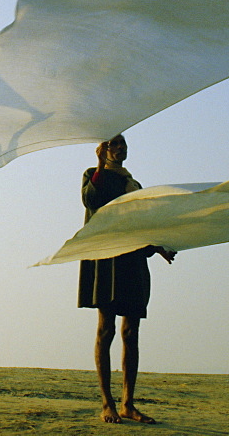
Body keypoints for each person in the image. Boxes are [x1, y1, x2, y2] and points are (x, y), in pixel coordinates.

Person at [79, 135, 175, 424]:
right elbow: (91, 198)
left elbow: (140, 223)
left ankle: (128, 404)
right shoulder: (94, 175)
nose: (121, 149)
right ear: (105, 149)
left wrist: (158, 247)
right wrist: (99, 163)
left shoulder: (135, 186)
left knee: (131, 333)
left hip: (132, 262)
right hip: (106, 259)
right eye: (114, 145)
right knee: (105, 329)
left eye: (124, 146)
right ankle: (107, 403)